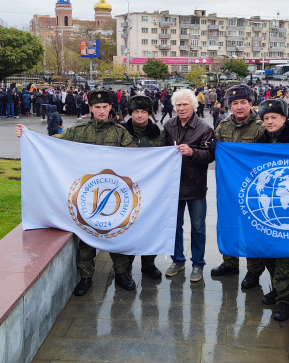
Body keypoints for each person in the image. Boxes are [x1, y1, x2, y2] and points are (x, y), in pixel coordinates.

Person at [16, 89, 138, 296]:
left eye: (105, 107)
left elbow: (135, 157)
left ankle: (122, 273)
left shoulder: (120, 133)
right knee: (87, 237)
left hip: (113, 194)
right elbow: (53, 143)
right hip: (87, 195)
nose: (101, 111)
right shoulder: (79, 131)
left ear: (110, 108)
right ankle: (85, 277)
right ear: (90, 108)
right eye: (97, 107)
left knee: (116, 234)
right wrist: (28, 135)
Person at [211, 84, 267, 289]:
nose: (239, 107)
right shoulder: (223, 126)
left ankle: (253, 272)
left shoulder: (261, 127)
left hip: (254, 190)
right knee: (230, 224)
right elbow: (213, 147)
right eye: (235, 103)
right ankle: (230, 263)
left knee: (252, 228)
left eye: (243, 102)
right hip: (229, 188)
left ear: (251, 104)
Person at [164, 89, 215, 283]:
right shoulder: (169, 125)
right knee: (175, 226)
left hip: (195, 186)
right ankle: (178, 260)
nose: (181, 108)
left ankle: (198, 264)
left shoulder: (204, 129)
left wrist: (192, 152)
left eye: (185, 104)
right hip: (174, 186)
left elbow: (210, 156)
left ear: (194, 106)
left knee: (198, 227)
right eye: (178, 105)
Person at [255, 98, 289, 321]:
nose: (269, 121)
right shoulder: (262, 141)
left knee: (284, 257)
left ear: (284, 118)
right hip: (268, 207)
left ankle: (285, 302)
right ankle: (277, 289)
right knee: (269, 254)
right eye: (266, 118)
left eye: (274, 117)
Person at [123, 94, 165, 279]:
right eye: (136, 112)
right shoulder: (121, 132)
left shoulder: (160, 135)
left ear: (149, 113)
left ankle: (148, 263)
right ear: (130, 113)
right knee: (127, 227)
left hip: (150, 190)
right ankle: (125, 265)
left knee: (150, 226)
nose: (140, 115)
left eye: (143, 112)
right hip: (125, 189)